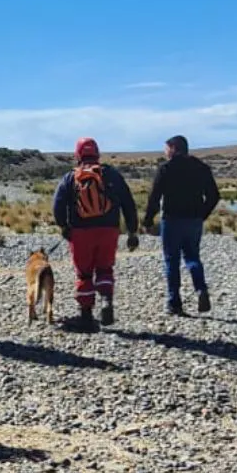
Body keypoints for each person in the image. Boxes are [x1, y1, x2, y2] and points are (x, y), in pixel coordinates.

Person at [53, 137, 139, 330]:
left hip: (81, 232)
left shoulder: (70, 177)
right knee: (105, 269)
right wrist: (132, 230)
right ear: (97, 153)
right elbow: (128, 203)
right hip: (109, 229)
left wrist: (64, 227)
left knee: (84, 274)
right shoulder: (112, 175)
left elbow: (57, 205)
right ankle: (107, 301)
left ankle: (86, 316)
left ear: (78, 155)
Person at [142, 135, 220, 316]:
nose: (165, 152)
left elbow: (154, 197)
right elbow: (214, 195)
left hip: (171, 220)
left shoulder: (166, 169)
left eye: (166, 148)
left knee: (172, 260)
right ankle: (201, 289)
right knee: (193, 257)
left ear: (173, 148)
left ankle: (174, 303)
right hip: (193, 220)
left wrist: (147, 220)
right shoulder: (201, 167)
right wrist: (202, 215)